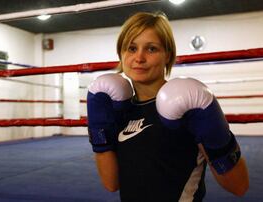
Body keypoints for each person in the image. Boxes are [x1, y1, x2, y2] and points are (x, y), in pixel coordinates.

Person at [86, 12, 249, 201]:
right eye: (131, 48)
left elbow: (239, 185)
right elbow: (111, 183)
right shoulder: (120, 110)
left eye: (151, 49)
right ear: (121, 54)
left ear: (167, 55)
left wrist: (218, 139)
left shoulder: (188, 105)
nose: (139, 57)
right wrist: (99, 131)